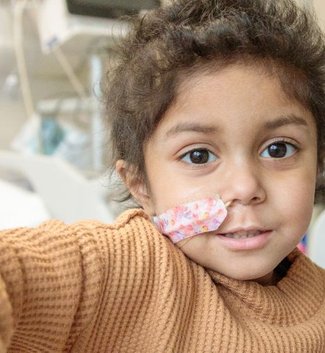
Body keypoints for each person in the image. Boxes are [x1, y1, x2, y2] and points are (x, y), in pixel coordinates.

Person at [1, 0, 325, 351]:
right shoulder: (129, 266)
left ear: (318, 162)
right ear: (142, 187)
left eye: (278, 149)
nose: (245, 188)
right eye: (198, 155)